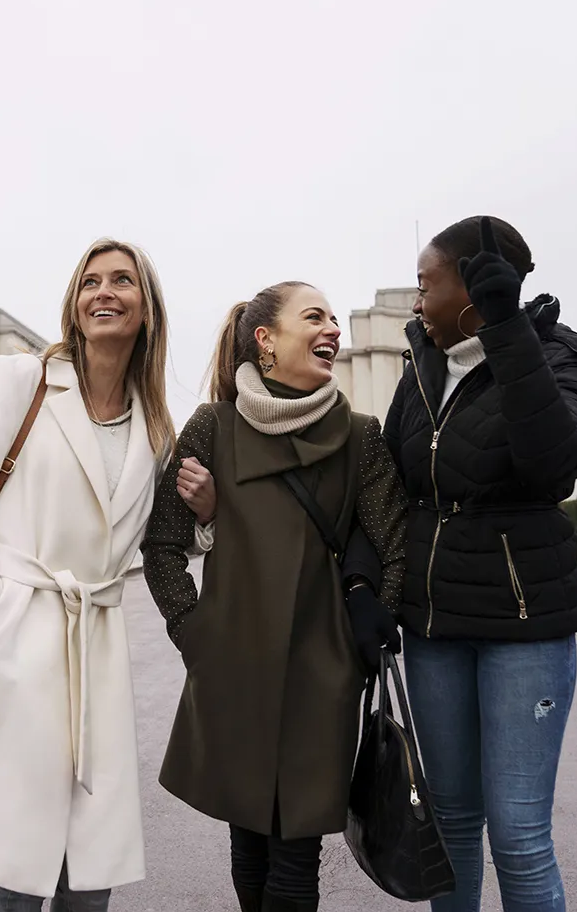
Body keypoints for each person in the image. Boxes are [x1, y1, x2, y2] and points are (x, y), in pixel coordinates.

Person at [0, 238, 184, 911]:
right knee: (24, 855)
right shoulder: (21, 379)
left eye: (123, 281)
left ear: (146, 309)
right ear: (74, 303)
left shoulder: (153, 426)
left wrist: (199, 515)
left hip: (94, 648)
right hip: (20, 633)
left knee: (91, 864)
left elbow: (156, 536)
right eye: (91, 282)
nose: (104, 292)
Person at [390, 216, 577, 911]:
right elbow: (391, 485)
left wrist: (507, 331)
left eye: (426, 286)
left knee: (518, 835)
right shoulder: (421, 364)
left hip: (524, 629)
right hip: (434, 630)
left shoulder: (568, 358)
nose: (416, 303)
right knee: (450, 824)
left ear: (472, 290)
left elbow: (553, 464)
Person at [141, 281, 407, 912]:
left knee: (297, 857)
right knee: (250, 844)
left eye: (335, 319)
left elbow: (397, 541)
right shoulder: (213, 427)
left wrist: (363, 638)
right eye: (314, 317)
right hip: (234, 669)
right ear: (265, 340)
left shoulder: (361, 435)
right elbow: (163, 546)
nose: (333, 330)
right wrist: (195, 633)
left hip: (323, 675)